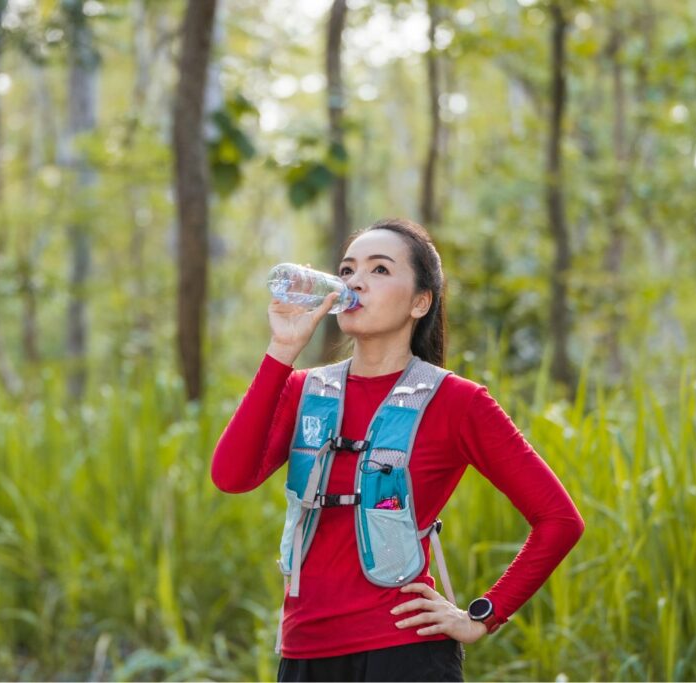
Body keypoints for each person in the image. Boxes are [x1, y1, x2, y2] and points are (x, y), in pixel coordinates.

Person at [211, 218, 585, 682]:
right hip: (305, 650)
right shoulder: (304, 389)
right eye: (347, 270)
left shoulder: (458, 401)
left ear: (420, 302)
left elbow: (560, 521)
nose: (354, 282)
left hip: (407, 654)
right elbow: (230, 477)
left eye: (380, 270)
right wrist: (281, 352)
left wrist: (482, 616)